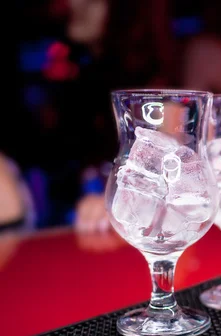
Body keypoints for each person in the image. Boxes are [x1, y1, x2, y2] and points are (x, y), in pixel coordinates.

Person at [16, 0, 177, 233]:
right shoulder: (67, 70)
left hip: (118, 237)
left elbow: (173, 185)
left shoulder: (154, 89)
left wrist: (117, 203)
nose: (72, 4)